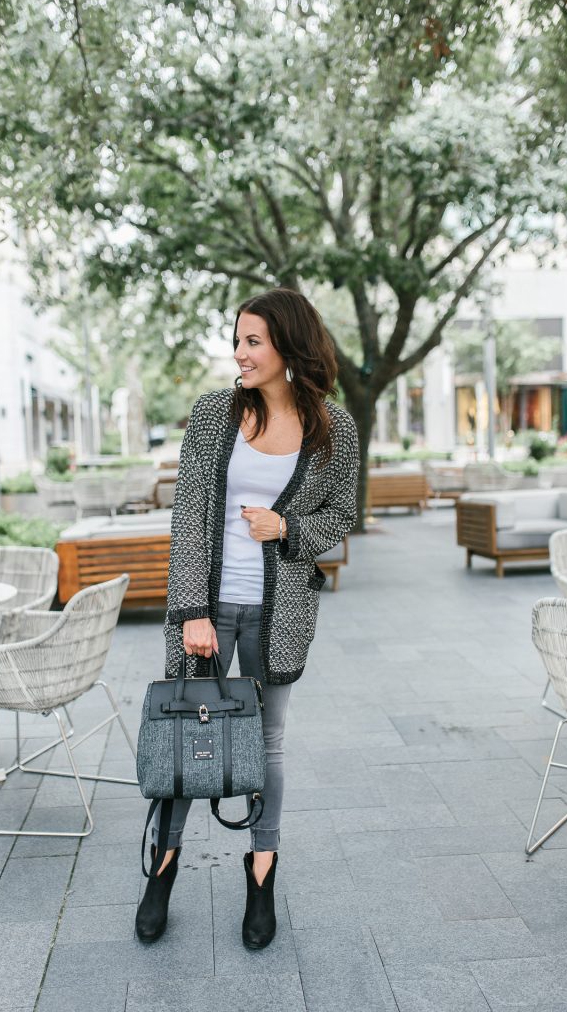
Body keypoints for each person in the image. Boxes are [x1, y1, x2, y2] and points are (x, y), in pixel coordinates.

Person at [135, 287, 359, 949]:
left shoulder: (334, 427)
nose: (240, 352)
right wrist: (191, 612)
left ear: (289, 345)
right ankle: (163, 867)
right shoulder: (213, 415)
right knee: (181, 737)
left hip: (279, 609)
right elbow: (187, 518)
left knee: (268, 746)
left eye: (253, 340)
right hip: (209, 610)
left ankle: (261, 870)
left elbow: (341, 517)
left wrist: (286, 527)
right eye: (238, 339)